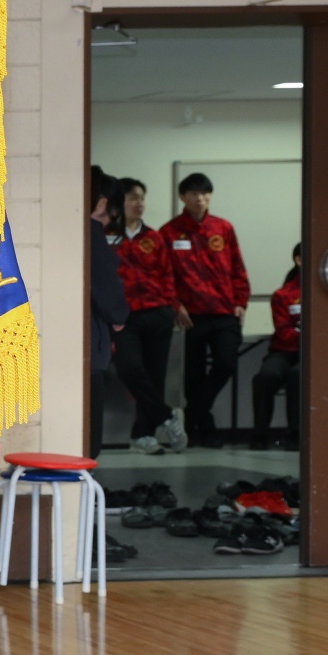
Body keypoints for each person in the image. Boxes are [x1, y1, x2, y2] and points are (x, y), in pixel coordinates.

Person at [164, 171, 249, 448]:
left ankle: (194, 414)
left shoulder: (223, 228)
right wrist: (176, 304)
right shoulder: (169, 232)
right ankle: (204, 429)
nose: (199, 198)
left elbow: (237, 267)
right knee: (193, 375)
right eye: (193, 193)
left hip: (224, 311)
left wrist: (241, 301)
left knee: (226, 363)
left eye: (204, 193)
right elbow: (165, 275)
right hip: (191, 316)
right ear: (182, 197)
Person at [111, 178, 180, 453]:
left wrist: (170, 308)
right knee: (129, 369)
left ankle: (143, 435)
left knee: (155, 376)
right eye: (132, 198)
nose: (139, 203)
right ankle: (166, 415)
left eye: (141, 198)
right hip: (123, 317)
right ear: (120, 203)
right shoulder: (105, 235)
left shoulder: (154, 237)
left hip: (157, 313)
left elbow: (167, 275)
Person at [89, 168, 130, 455]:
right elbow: (106, 284)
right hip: (92, 344)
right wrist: (119, 315)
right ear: (103, 203)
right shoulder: (91, 233)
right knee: (90, 429)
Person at [251, 242, 303, 449]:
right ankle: (260, 434)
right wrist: (303, 334)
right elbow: (283, 331)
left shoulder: (324, 293)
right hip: (284, 351)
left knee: (299, 376)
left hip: (313, 354)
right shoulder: (283, 295)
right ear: (298, 260)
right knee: (267, 376)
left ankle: (295, 434)